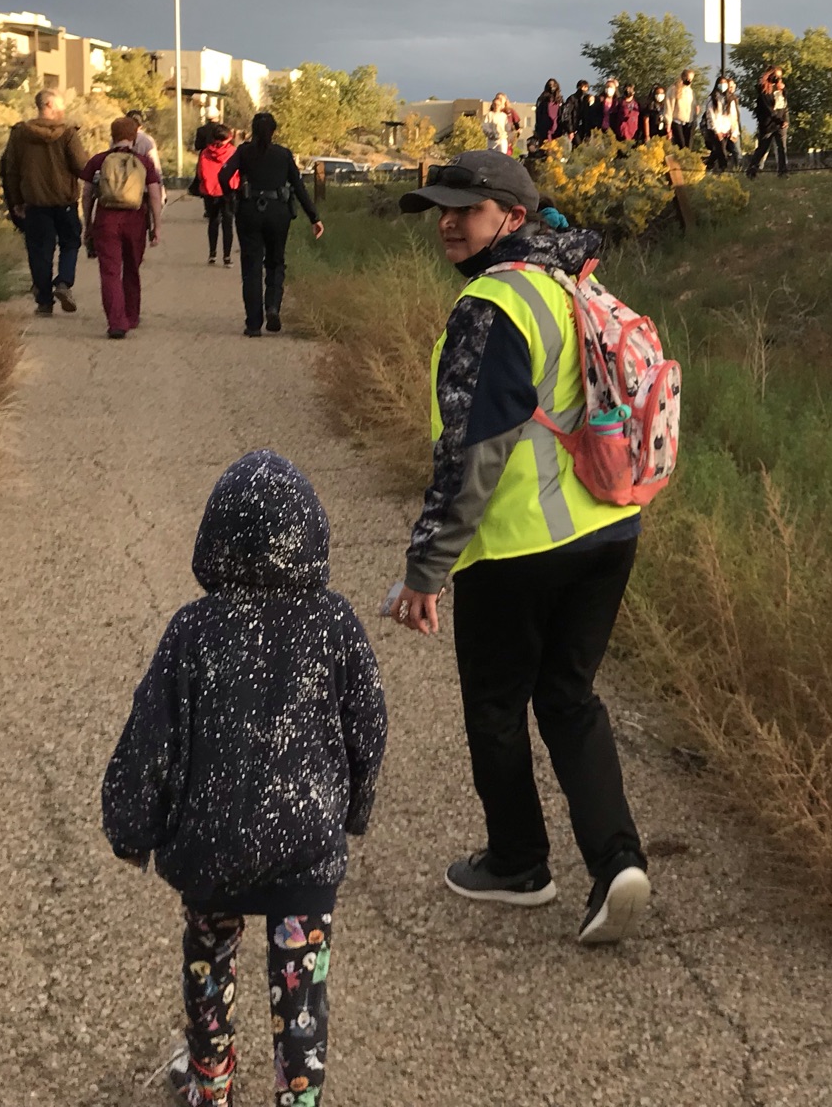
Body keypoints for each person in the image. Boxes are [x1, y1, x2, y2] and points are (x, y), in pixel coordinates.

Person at [390, 150, 653, 944]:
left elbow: (476, 451)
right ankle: (618, 864)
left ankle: (517, 863)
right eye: (439, 208)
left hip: (521, 547)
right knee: (568, 697)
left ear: (510, 216)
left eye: (464, 210)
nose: (446, 222)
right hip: (610, 526)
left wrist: (425, 569)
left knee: (496, 708)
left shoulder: (492, 304)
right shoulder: (577, 280)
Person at [103, 449, 386, 1107]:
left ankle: (211, 1087)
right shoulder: (334, 625)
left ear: (214, 539)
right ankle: (299, 1097)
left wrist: (130, 827)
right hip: (305, 851)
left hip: (212, 849)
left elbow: (153, 737)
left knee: (208, 967)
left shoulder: (194, 631)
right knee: (302, 993)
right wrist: (355, 808)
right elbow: (367, 724)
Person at [222, 112, 323, 338]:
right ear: (274, 131)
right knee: (276, 262)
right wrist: (314, 217)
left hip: (249, 211)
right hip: (279, 212)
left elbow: (223, 175)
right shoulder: (283, 154)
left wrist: (232, 197)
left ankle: (253, 324)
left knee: (251, 267)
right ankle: (273, 307)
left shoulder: (243, 152)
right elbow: (298, 187)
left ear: (253, 130)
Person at [0, 89, 90, 316]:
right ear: (48, 105)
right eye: (60, 107)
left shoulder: (20, 133)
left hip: (34, 202)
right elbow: (81, 167)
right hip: (65, 201)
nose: (63, 112)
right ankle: (63, 282)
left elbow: (10, 170)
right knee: (70, 243)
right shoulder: (68, 134)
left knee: (39, 251)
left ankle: (44, 301)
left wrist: (16, 201)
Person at [81, 115, 164, 339]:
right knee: (131, 268)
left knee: (110, 272)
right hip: (135, 220)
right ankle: (131, 315)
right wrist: (156, 227)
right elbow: (155, 196)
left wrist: (87, 223)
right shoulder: (144, 162)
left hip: (106, 221)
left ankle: (117, 322)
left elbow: (87, 194)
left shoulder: (98, 161)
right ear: (134, 137)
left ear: (112, 135)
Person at [193, 122, 239, 266]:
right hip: (228, 191)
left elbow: (200, 173)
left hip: (209, 191)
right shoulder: (233, 152)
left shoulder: (205, 153)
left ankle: (212, 254)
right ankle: (227, 257)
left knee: (213, 221)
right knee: (227, 224)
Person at [745, 68, 790, 177]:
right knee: (763, 148)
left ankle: (783, 172)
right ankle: (752, 169)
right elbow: (769, 109)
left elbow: (784, 105)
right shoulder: (765, 90)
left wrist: (783, 91)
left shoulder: (780, 89)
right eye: (776, 76)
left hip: (780, 123)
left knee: (781, 148)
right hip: (768, 124)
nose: (779, 79)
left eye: (780, 77)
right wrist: (779, 120)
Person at [704, 75, 742, 171]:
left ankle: (708, 165)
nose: (723, 86)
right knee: (721, 152)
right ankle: (723, 169)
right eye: (721, 84)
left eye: (725, 84)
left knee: (718, 151)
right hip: (716, 130)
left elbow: (733, 117)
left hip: (727, 130)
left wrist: (734, 131)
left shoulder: (730, 99)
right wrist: (716, 131)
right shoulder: (712, 99)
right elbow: (711, 116)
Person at [482, 92, 521, 157]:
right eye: (495, 104)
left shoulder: (505, 115)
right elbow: (485, 126)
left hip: (503, 139)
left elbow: (511, 127)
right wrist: (491, 134)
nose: (496, 106)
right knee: (492, 156)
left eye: (499, 104)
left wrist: (511, 135)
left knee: (502, 156)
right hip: (492, 140)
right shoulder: (489, 115)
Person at [533, 79, 566, 149]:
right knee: (545, 147)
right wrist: (537, 128)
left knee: (557, 149)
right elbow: (538, 114)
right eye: (550, 85)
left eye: (553, 85)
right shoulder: (542, 99)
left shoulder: (560, 99)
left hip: (557, 127)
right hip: (544, 127)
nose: (552, 87)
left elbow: (563, 113)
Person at [672, 69, 698, 150]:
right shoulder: (674, 89)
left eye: (691, 79)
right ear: (683, 77)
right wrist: (668, 123)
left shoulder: (691, 92)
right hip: (677, 121)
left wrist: (696, 110)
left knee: (688, 147)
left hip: (688, 122)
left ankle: (686, 162)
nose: (689, 80)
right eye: (688, 78)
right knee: (681, 145)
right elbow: (669, 107)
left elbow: (693, 105)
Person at [566, 80, 597, 145]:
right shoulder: (572, 99)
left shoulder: (589, 98)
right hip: (575, 128)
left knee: (587, 148)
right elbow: (567, 115)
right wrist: (570, 130)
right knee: (577, 146)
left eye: (585, 87)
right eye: (582, 87)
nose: (583, 89)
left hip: (586, 128)